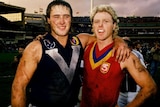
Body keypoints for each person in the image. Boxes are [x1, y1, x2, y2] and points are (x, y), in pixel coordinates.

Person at [11, 1, 130, 107]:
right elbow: (18, 87)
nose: (62, 21)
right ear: (48, 19)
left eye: (66, 16)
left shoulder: (80, 40)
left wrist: (121, 42)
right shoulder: (35, 48)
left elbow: (105, 36)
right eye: (56, 16)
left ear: (71, 18)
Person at [80, 4, 157, 107]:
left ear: (114, 25)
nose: (100, 25)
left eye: (106, 21)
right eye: (96, 21)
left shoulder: (124, 55)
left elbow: (150, 87)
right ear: (93, 25)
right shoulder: (86, 45)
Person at [117, 37, 147, 107]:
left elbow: (143, 70)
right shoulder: (117, 55)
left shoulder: (136, 55)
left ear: (130, 47)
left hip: (134, 91)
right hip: (120, 91)